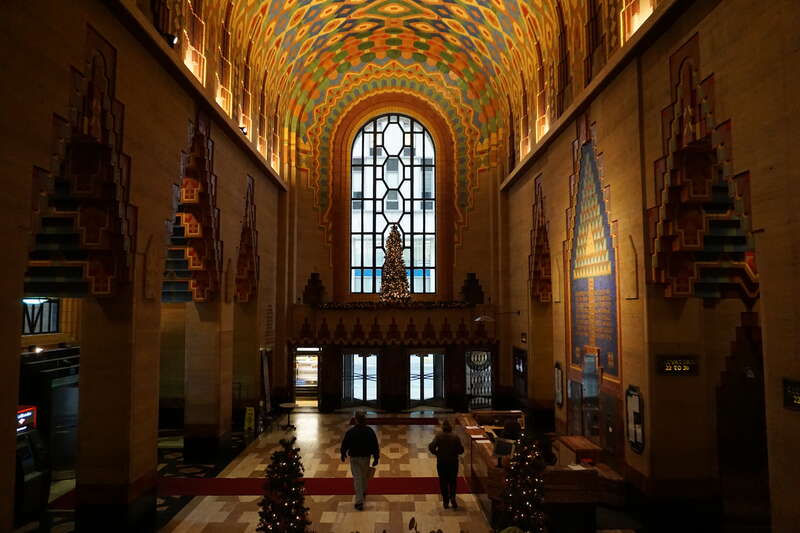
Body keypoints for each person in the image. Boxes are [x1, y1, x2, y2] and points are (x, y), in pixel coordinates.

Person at [340, 410, 380, 510]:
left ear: (356, 420)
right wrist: (376, 457)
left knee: (357, 478)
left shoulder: (351, 432)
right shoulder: (369, 431)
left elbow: (345, 444)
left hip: (354, 458)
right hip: (366, 457)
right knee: (364, 476)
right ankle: (363, 492)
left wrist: (343, 453)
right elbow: (374, 445)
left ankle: (359, 502)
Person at [428, 419, 464, 509]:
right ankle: (452, 498)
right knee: (453, 481)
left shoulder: (439, 436)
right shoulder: (455, 437)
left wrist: (437, 453)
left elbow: (431, 446)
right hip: (453, 462)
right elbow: (461, 450)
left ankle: (445, 501)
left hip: (442, 462)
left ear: (443, 427)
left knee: (443, 481)